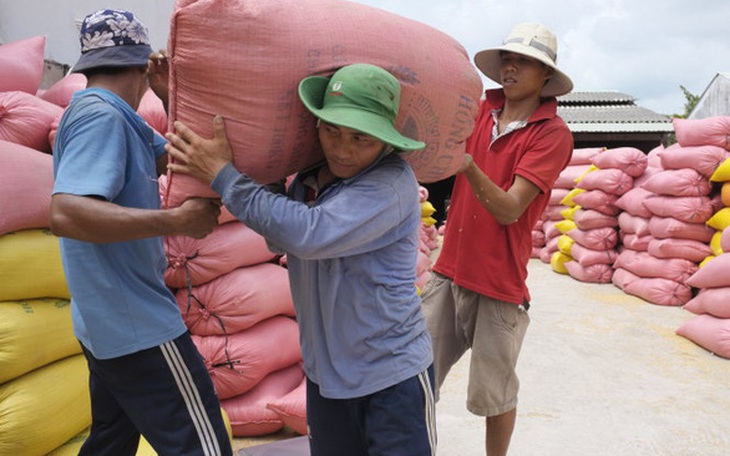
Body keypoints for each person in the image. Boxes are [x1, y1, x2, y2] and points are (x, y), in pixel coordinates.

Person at [165, 63, 436, 456]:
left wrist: (224, 176)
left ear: (384, 139)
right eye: (331, 131)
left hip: (391, 379)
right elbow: (280, 236)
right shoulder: (310, 180)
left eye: (361, 138)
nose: (342, 149)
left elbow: (309, 235)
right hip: (326, 380)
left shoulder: (391, 184)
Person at [50, 9, 231, 456]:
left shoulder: (109, 115)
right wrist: (178, 221)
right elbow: (67, 214)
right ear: (139, 63)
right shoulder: (102, 118)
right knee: (203, 446)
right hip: (140, 325)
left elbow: (174, 158)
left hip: (106, 323)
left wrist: (171, 98)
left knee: (111, 441)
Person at [419, 22, 574, 456]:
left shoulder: (551, 134)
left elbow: (509, 208)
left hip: (499, 283)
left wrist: (467, 166)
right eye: (508, 58)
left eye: (524, 61)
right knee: (414, 375)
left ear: (545, 75)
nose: (511, 66)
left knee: (495, 394)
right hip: (447, 274)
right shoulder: (478, 114)